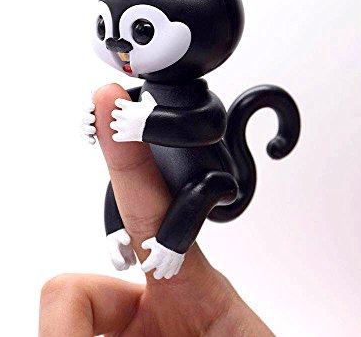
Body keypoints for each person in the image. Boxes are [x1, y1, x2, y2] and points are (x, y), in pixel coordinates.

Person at [39, 84, 274, 336]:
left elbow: (210, 124)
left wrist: (149, 124)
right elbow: (116, 106)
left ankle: (171, 244)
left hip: (217, 185)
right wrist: (95, 115)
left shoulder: (199, 99)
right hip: (170, 173)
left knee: (202, 185)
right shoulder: (148, 91)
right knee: (127, 178)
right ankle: (117, 228)